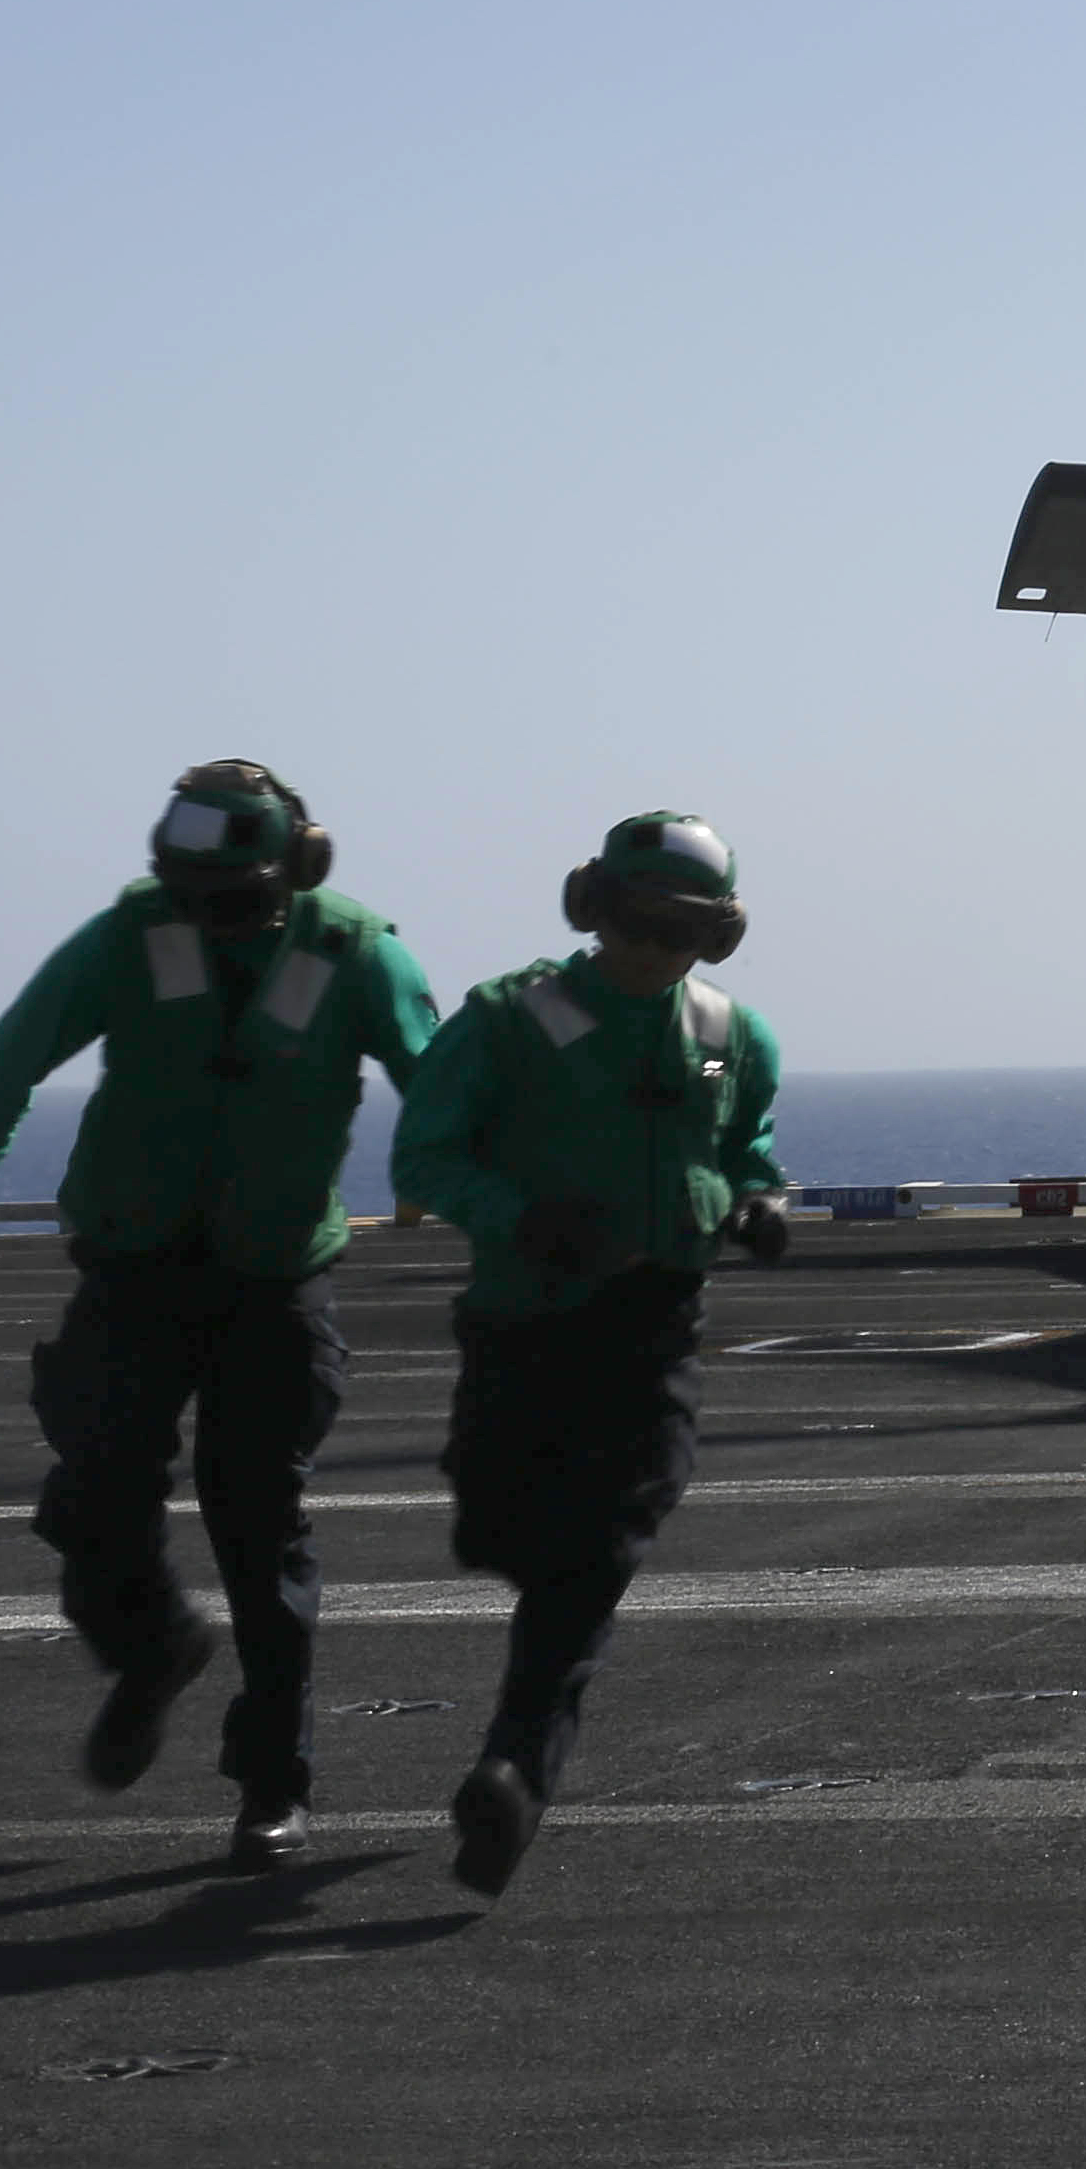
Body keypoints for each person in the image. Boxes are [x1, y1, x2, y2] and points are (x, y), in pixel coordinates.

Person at [0, 761, 438, 1869]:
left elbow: (445, 1086)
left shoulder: (355, 953)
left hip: (271, 1282)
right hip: (133, 1274)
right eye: (191, 892)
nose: (209, 915)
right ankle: (151, 1650)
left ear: (295, 870)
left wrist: (495, 1198)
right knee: (95, 1502)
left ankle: (272, 1786)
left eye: (234, 896)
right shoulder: (126, 940)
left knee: (262, 1530)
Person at [389, 808, 790, 1897]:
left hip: (653, 1324)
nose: (660, 951)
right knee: (503, 1529)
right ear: (595, 911)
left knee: (601, 1547)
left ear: (719, 935)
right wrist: (522, 1217)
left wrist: (755, 1200)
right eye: (642, 923)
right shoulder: (510, 1020)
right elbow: (425, 1153)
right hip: (526, 1320)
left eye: (688, 931)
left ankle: (515, 1769)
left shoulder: (727, 1033)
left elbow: (746, 1142)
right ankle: (517, 1745)